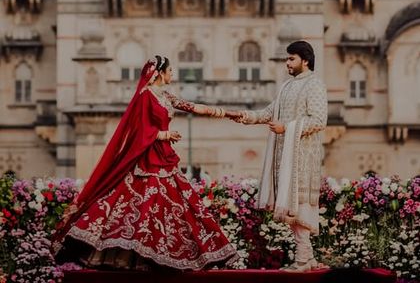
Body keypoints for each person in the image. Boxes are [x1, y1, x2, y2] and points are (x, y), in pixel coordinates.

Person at [53, 55, 239, 271]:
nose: (173, 74)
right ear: (159, 72)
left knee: (178, 204)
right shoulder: (144, 96)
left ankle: (166, 254)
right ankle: (134, 256)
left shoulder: (167, 96)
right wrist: (164, 135)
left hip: (165, 157)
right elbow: (140, 130)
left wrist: (228, 113)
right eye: (170, 70)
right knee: (143, 204)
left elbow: (193, 107)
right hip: (147, 157)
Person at [230, 40, 328, 272]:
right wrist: (243, 116)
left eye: (291, 58)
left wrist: (287, 127)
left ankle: (303, 260)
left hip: (303, 157)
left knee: (300, 207)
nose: (287, 63)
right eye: (287, 58)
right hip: (284, 156)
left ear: (305, 60)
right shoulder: (287, 87)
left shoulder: (315, 85)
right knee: (292, 207)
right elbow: (268, 113)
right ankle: (309, 258)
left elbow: (319, 120)